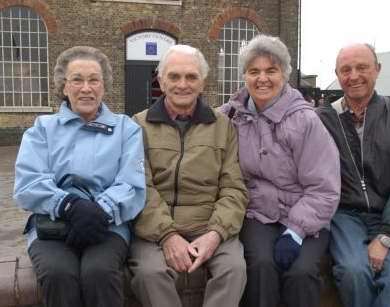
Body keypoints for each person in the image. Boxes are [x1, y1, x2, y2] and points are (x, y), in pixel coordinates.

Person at [13, 46, 146, 307]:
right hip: (53, 223)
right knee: (57, 273)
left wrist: (99, 210)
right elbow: (28, 182)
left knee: (100, 273)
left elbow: (131, 183)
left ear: (104, 86)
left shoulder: (126, 129)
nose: (86, 88)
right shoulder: (42, 129)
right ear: (64, 87)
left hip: (107, 224)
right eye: (77, 80)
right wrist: (69, 206)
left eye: (94, 80)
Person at [219, 34, 341, 307]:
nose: (262, 78)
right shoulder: (232, 116)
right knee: (261, 266)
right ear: (245, 76)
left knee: (300, 273)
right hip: (258, 214)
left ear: (284, 75)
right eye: (254, 71)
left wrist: (296, 231)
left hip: (307, 216)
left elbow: (324, 187)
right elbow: (200, 120)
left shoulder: (305, 121)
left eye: (271, 71)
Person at [129, 44, 248, 307]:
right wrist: (167, 236)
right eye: (174, 76)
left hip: (208, 226)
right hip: (155, 232)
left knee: (233, 270)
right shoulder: (138, 125)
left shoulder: (223, 126)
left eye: (191, 76)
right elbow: (140, 187)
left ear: (203, 82)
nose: (183, 84)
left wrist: (216, 233)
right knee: (150, 274)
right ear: (161, 80)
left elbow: (234, 188)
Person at [316, 43, 390, 307]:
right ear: (337, 74)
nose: (354, 75)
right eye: (346, 69)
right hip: (345, 216)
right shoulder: (321, 120)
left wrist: (387, 234)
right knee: (352, 271)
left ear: (377, 70)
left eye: (362, 67)